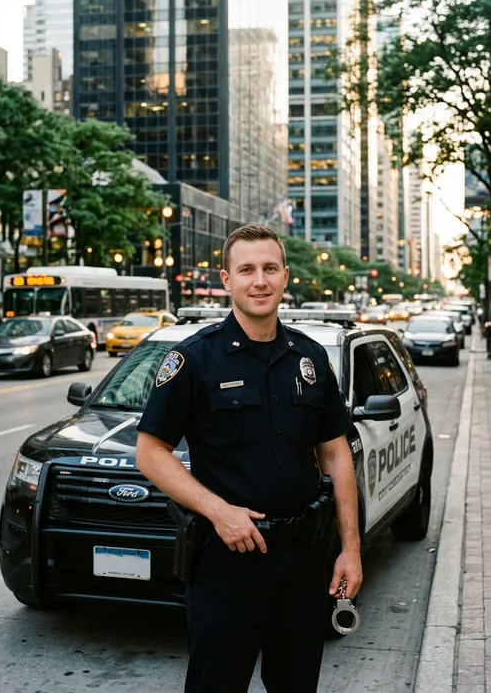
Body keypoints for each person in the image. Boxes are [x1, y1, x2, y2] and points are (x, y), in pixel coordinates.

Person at [135, 224, 362, 693]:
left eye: (269, 269)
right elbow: (150, 452)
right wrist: (219, 512)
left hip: (302, 558)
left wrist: (351, 550)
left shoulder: (311, 356)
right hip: (227, 563)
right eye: (246, 270)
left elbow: (336, 454)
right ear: (226, 280)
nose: (259, 281)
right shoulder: (195, 359)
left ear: (284, 276)